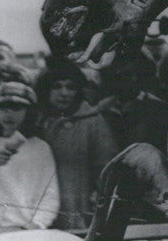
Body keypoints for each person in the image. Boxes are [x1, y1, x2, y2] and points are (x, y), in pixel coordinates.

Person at [0, 68, 59, 235]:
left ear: (28, 112)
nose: (9, 114)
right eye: (3, 108)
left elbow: (50, 194)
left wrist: (37, 225)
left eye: (17, 108)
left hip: (29, 229)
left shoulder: (40, 147)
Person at [36, 57, 120, 231]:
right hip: (39, 204)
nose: (64, 93)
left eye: (71, 87)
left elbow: (107, 168)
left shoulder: (92, 121)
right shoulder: (36, 121)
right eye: (57, 86)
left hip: (77, 201)